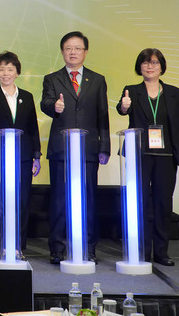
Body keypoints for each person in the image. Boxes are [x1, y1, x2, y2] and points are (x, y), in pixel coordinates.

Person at [116, 48, 179, 266]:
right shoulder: (132, 90)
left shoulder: (174, 93)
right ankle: (140, 250)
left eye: (155, 63)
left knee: (163, 204)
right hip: (139, 155)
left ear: (162, 67)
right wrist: (124, 107)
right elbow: (122, 109)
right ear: (139, 67)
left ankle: (161, 252)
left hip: (166, 156)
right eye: (145, 63)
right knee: (139, 203)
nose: (150, 66)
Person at [40, 31, 110, 264]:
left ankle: (89, 248)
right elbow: (45, 103)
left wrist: (104, 146)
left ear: (85, 52)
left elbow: (102, 115)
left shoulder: (97, 80)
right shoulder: (52, 78)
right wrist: (55, 107)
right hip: (61, 150)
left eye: (77, 48)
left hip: (88, 149)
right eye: (68, 48)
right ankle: (57, 248)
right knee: (59, 201)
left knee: (88, 200)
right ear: (62, 52)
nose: (73, 52)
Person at [0, 51, 41, 260]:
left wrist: (36, 155)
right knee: (0, 201)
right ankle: (4, 246)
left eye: (10, 69)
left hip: (22, 156)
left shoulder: (27, 96)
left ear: (17, 72)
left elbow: (32, 127)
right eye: (1, 69)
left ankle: (18, 247)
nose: (5, 73)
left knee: (21, 201)